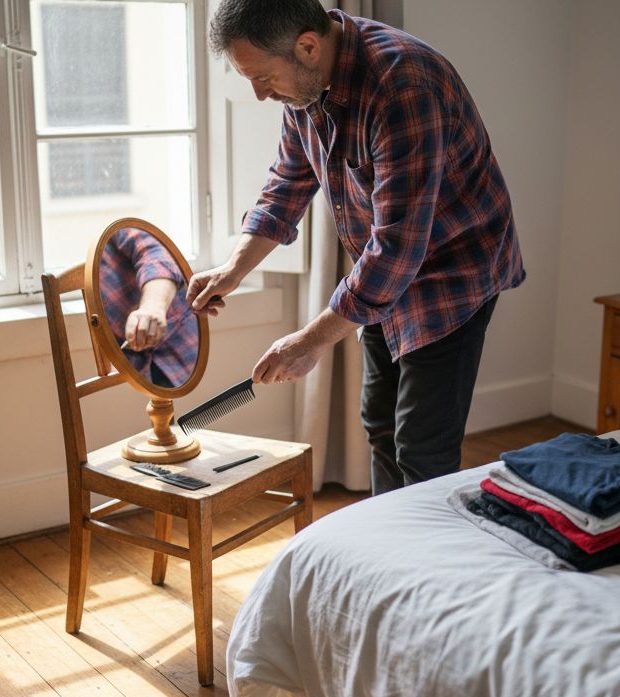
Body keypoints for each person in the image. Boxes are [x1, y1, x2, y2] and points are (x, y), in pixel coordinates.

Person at [189, 0, 525, 494]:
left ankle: (426, 542)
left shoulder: (403, 86)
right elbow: (287, 184)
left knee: (422, 446)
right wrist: (233, 269)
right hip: (381, 272)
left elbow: (397, 250)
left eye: (262, 77)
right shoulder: (303, 87)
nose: (259, 95)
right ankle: (383, 539)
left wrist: (310, 342)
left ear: (308, 46)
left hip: (452, 272)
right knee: (380, 424)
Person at [102, 227, 199, 389]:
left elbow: (155, 256)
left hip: (185, 351)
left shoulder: (116, 232)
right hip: (139, 375)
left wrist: (152, 308)